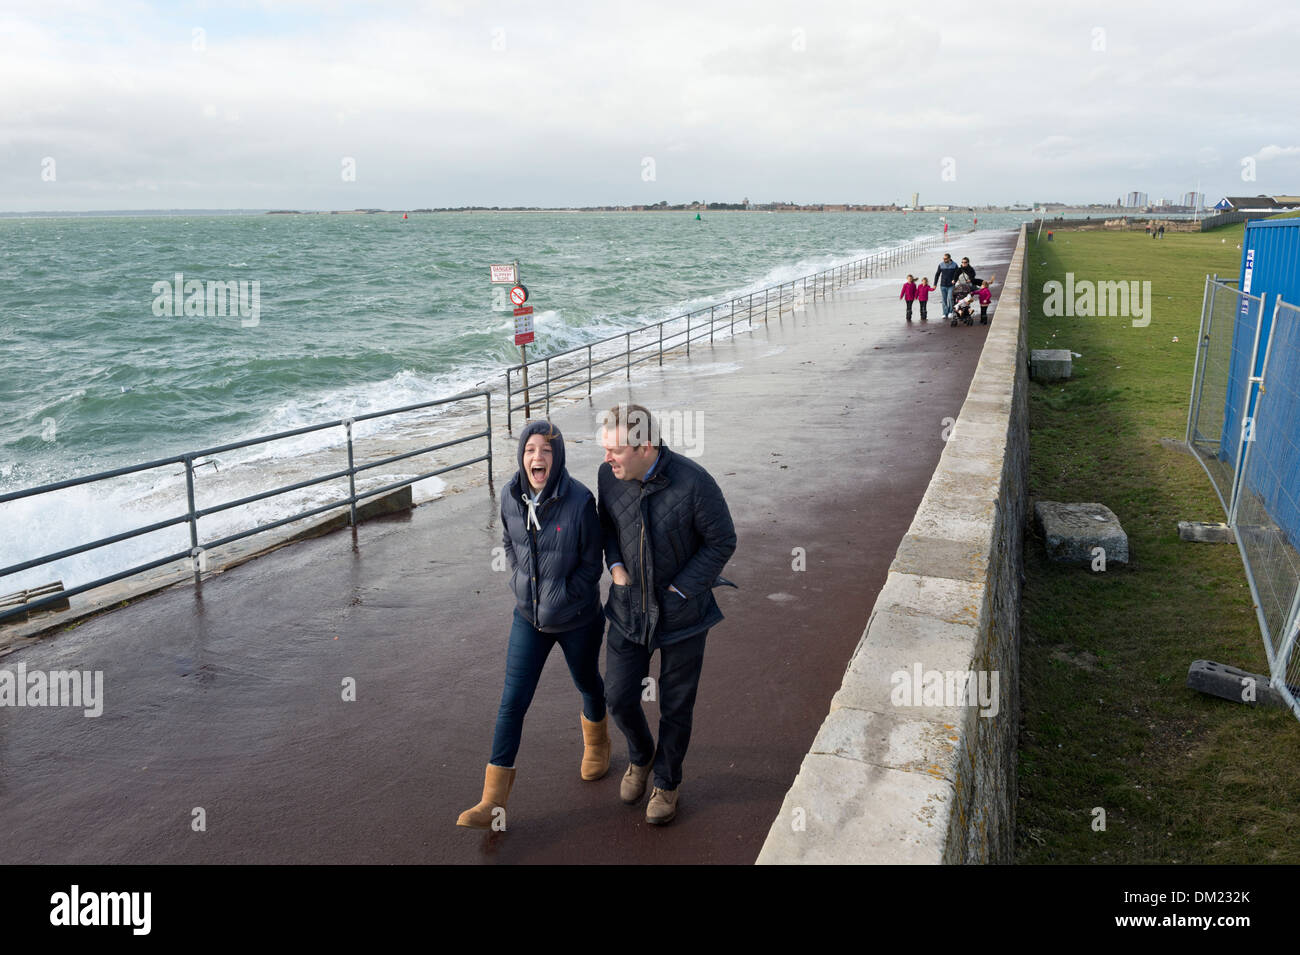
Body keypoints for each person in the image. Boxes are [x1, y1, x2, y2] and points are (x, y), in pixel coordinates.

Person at [457, 420, 609, 829]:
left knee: (588, 683)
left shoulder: (579, 501)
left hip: (577, 618)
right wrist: (518, 579)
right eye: (530, 450)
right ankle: (492, 800)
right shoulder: (510, 496)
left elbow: (592, 563)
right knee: (512, 702)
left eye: (545, 450)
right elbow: (509, 542)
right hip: (528, 617)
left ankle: (598, 744)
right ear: (522, 455)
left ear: (557, 457)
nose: (536, 457)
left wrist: (564, 598)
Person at [597, 403, 736, 825]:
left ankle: (667, 783)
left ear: (646, 446)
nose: (607, 459)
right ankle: (641, 756)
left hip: (683, 617)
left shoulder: (695, 483)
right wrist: (616, 567)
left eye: (615, 450)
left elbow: (722, 542)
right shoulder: (610, 476)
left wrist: (678, 590)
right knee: (618, 697)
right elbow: (607, 525)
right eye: (605, 450)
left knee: (676, 706)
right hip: (628, 609)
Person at [934, 253, 960, 318]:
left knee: (950, 298)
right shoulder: (941, 265)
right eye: (943, 258)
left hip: (951, 285)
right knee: (944, 299)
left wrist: (955, 281)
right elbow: (937, 274)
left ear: (949, 258)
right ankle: (945, 313)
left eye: (945, 259)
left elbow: (958, 274)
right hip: (943, 285)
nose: (944, 260)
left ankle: (951, 312)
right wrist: (935, 284)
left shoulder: (954, 265)